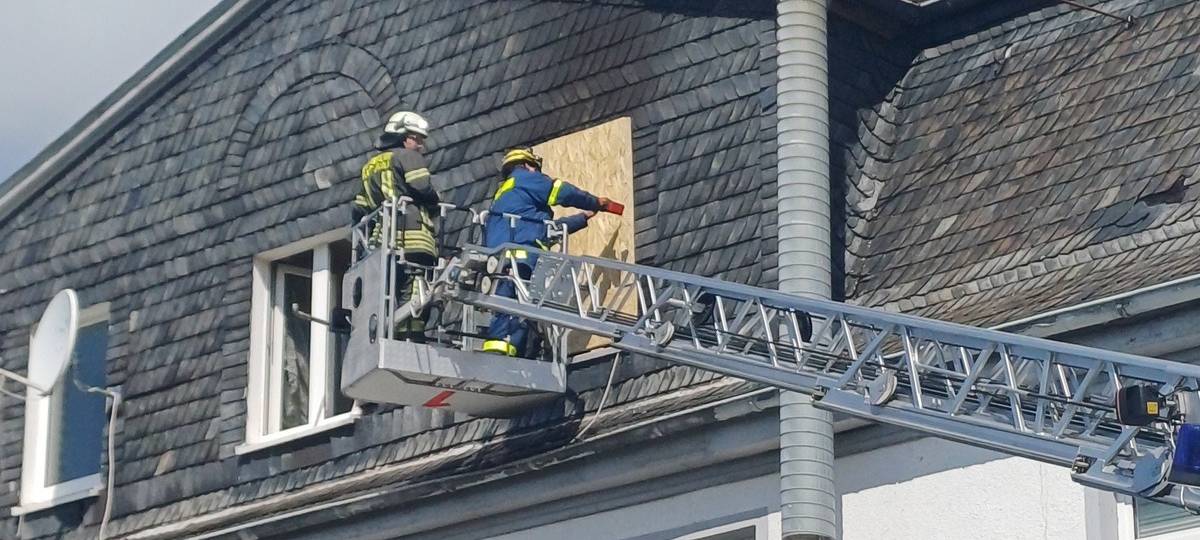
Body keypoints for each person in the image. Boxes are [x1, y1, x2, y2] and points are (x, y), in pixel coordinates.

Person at [481, 147, 623, 357]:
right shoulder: (526, 179)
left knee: (511, 306)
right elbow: (561, 191)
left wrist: (582, 218)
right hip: (520, 257)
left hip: (503, 257)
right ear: (529, 165)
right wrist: (595, 202)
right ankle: (508, 351)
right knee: (521, 306)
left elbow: (546, 229)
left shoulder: (509, 197)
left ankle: (506, 350)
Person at [352, 111, 440, 342]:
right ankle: (413, 334)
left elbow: (360, 208)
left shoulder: (369, 167)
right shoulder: (407, 156)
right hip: (413, 234)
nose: (420, 145)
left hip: (381, 240)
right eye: (416, 138)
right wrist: (435, 200)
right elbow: (421, 186)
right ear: (402, 137)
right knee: (416, 285)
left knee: (389, 288)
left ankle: (392, 333)